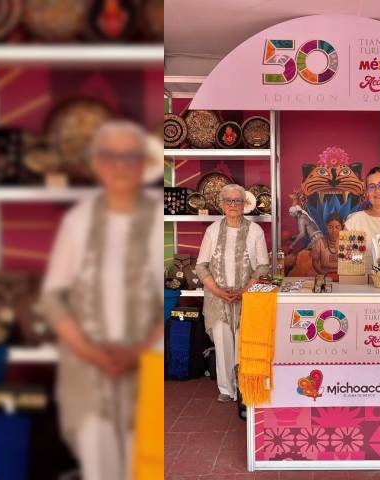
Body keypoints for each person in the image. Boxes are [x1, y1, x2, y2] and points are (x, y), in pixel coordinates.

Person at [39, 120, 164, 480]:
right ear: (96, 163)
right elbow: (52, 298)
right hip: (88, 370)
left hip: (148, 366)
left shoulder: (159, 218)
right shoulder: (77, 221)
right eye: (110, 156)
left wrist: (138, 350)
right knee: (98, 468)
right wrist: (94, 354)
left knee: (148, 465)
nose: (119, 166)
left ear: (143, 162)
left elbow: (167, 300)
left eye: (129, 156)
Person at [195, 184, 269, 402]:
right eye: (228, 201)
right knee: (223, 342)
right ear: (222, 205)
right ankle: (226, 389)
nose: (233, 205)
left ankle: (244, 387)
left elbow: (263, 267)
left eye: (237, 201)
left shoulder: (255, 231)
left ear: (244, 204)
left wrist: (244, 291)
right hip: (217, 299)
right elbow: (201, 266)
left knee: (245, 344)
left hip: (247, 297)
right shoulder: (212, 230)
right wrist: (219, 292)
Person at [310, 212, 344, 279]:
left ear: (342, 227)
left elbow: (353, 262)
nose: (334, 230)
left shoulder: (346, 242)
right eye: (330, 227)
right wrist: (324, 275)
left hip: (342, 277)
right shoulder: (320, 242)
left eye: (337, 227)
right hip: (325, 277)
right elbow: (315, 262)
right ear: (326, 226)